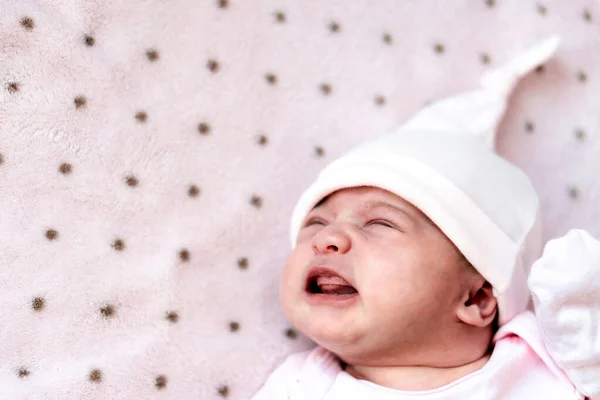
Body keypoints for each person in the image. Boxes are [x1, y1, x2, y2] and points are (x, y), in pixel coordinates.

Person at [252, 36, 599, 399]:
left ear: (476, 298)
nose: (327, 239)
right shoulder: (300, 388)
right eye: (315, 223)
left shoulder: (545, 367)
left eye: (378, 223)